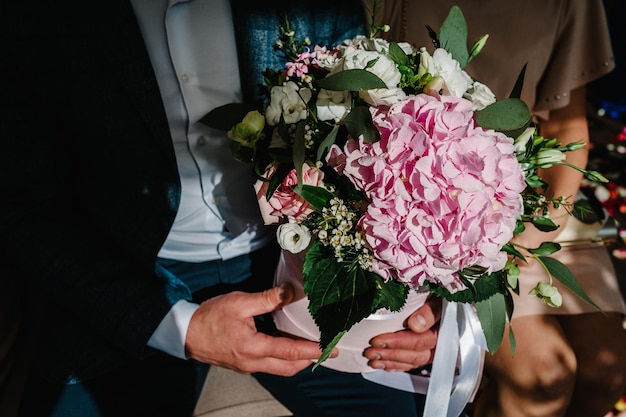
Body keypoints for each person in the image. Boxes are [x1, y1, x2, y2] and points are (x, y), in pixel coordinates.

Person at [0, 1, 442, 417]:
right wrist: (175, 327)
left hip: (298, 265)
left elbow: (384, 133)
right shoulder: (37, 15)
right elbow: (23, 207)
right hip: (122, 276)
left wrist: (424, 296)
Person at [381, 1, 626, 416]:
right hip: (430, 203)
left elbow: (567, 124)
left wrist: (541, 227)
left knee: (611, 372)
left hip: (536, 197)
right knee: (543, 379)